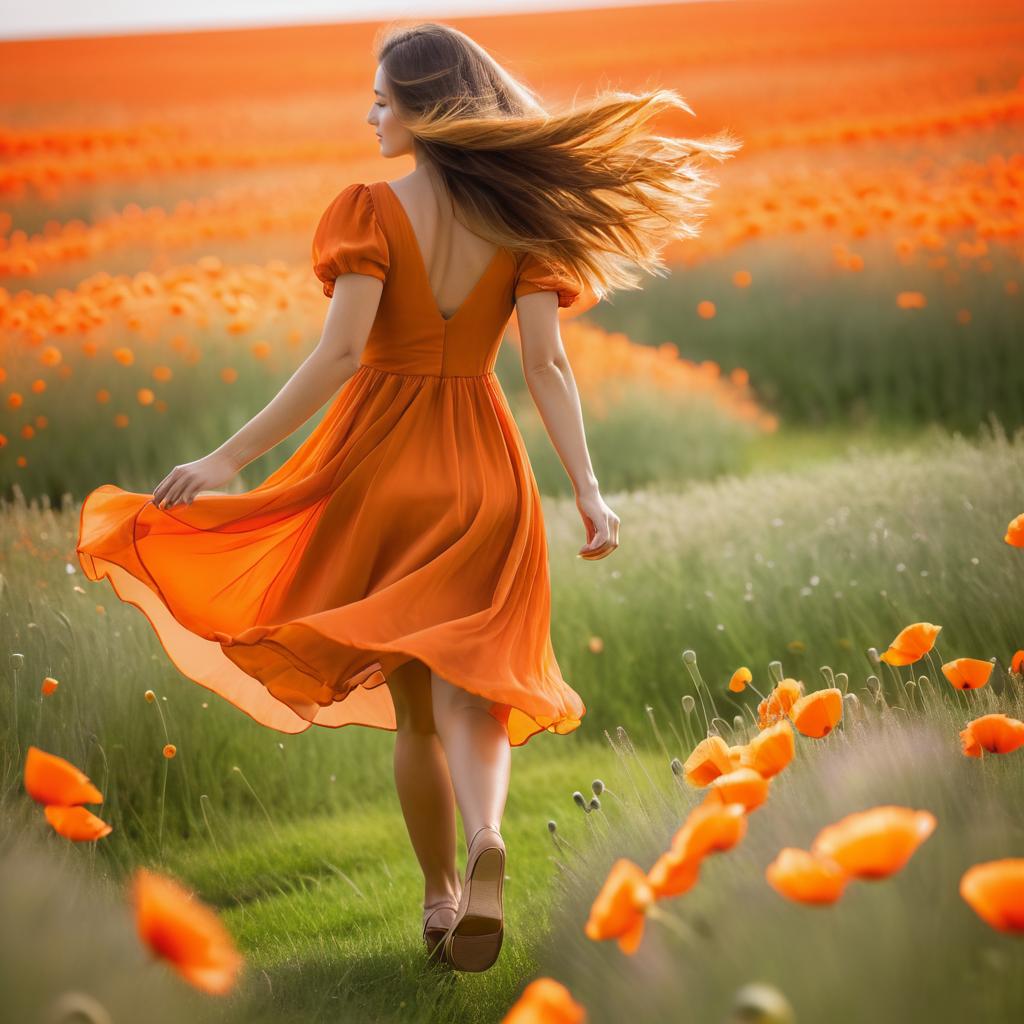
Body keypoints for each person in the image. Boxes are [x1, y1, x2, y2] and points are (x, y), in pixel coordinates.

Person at [76, 21, 738, 974]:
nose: (372, 113)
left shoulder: (367, 211)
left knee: (417, 715)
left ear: (427, 109)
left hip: (384, 466)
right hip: (484, 469)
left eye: (384, 97)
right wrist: (590, 494)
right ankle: (487, 840)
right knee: (481, 700)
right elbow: (547, 365)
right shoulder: (522, 221)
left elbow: (342, 353)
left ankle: (438, 901)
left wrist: (228, 460)